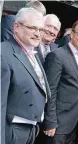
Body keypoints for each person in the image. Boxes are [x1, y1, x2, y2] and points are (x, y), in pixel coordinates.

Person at [1, 8, 50, 144]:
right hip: (11, 131)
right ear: (16, 27)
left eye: (41, 30)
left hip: (30, 130)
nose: (37, 34)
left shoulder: (33, 53)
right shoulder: (3, 53)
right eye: (33, 28)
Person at [41, 20, 78, 144]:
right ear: (72, 34)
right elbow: (50, 92)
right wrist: (50, 121)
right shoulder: (57, 56)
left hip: (74, 122)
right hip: (58, 124)